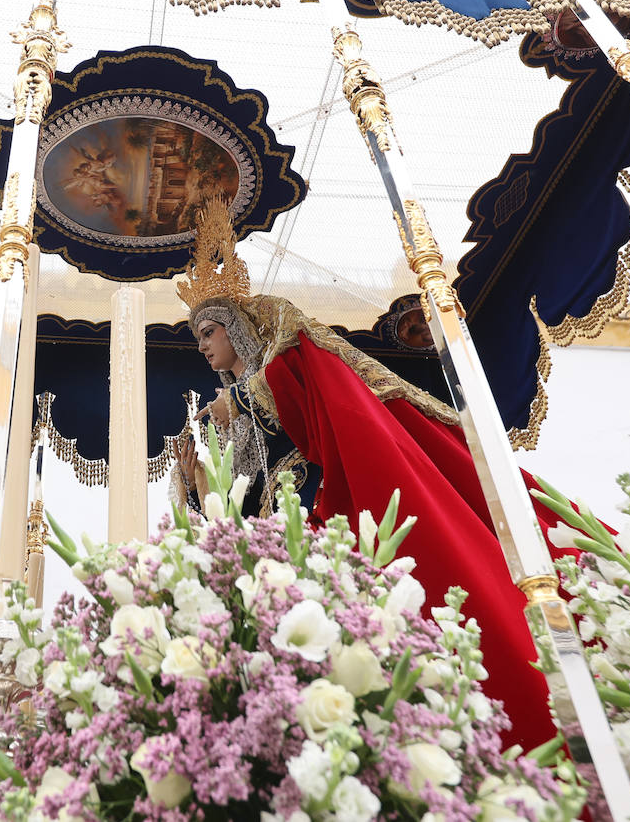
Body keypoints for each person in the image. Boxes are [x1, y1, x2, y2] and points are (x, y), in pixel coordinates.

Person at [174, 200, 570, 751]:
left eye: (210, 331)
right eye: (199, 338)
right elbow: (242, 496)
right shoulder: (227, 412)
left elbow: (298, 399)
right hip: (271, 531)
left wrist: (239, 401)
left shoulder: (282, 364)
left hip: (313, 504)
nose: (203, 345)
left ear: (236, 329)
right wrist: (197, 489)